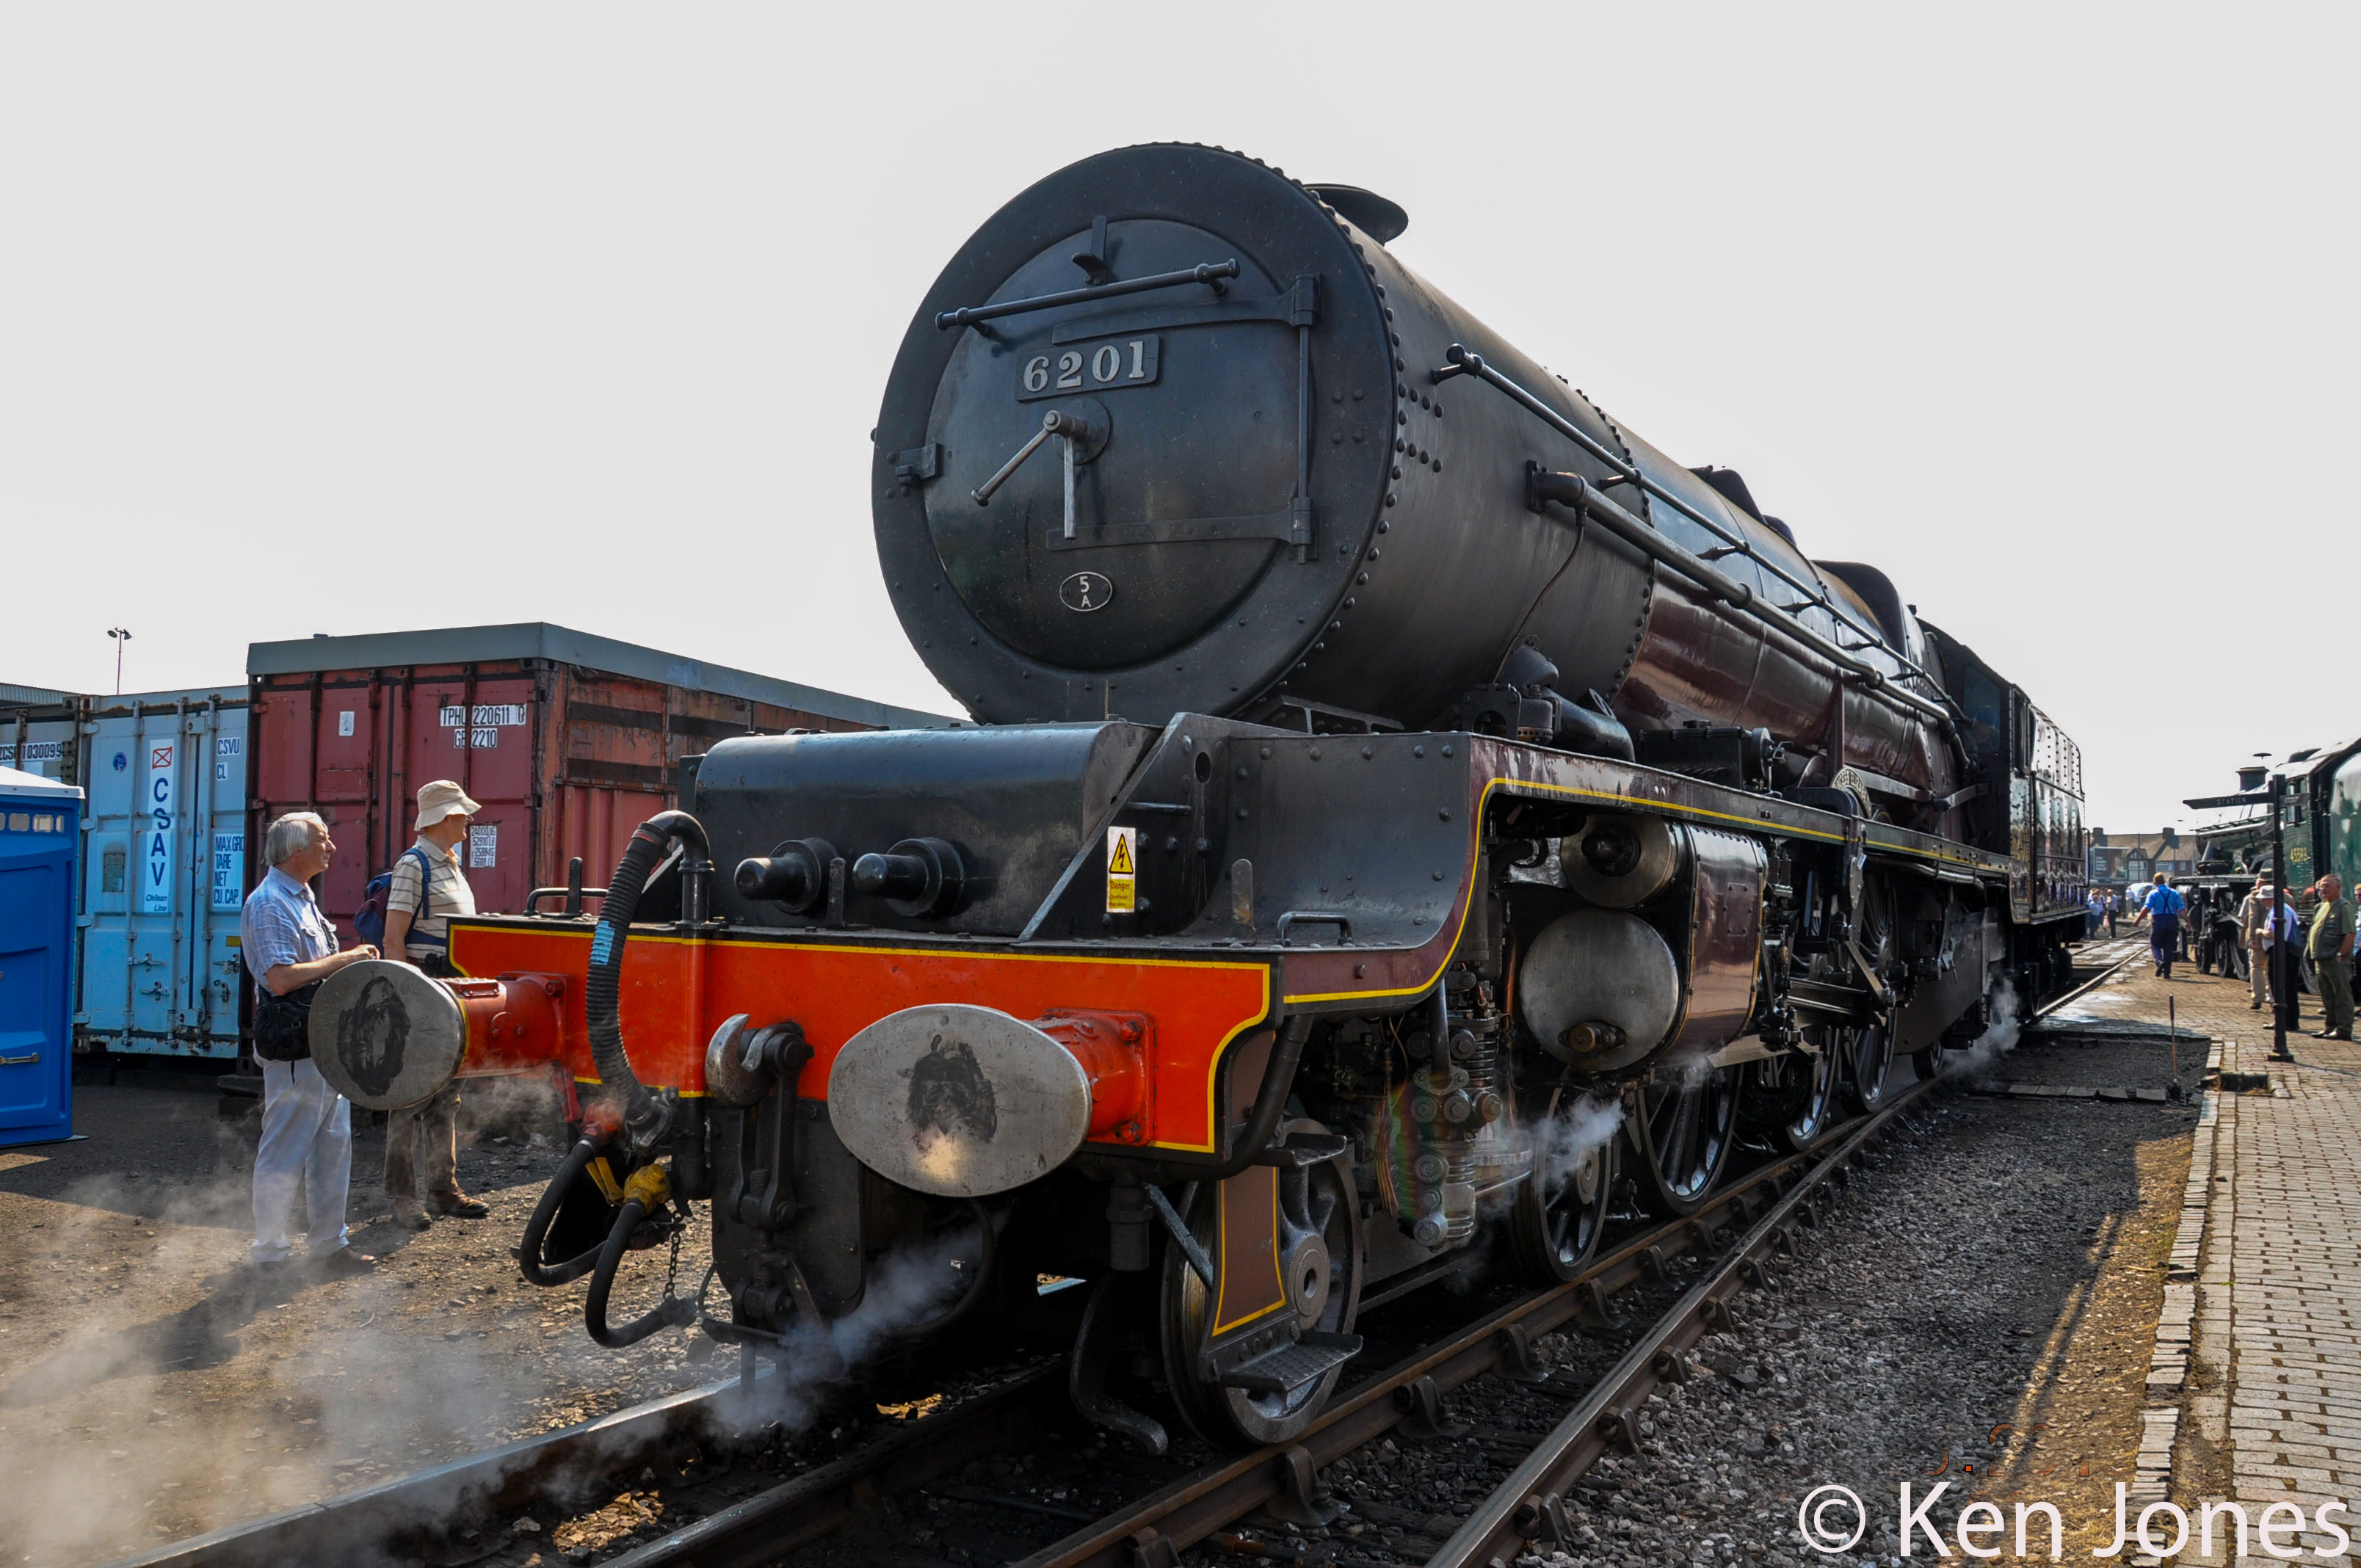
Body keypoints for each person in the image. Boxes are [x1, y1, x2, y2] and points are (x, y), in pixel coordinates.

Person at [241, 812, 379, 1272]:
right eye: (323, 839)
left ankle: (328, 1246)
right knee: (285, 1149)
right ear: (296, 850)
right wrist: (346, 960)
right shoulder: (269, 904)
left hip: (321, 1041)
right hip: (298, 1045)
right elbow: (280, 979)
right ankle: (270, 1254)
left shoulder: (299, 899)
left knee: (332, 1146)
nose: (332, 848)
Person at [381, 780, 490, 1229]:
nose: (469, 819)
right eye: (462, 813)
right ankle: (404, 1198)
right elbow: (393, 938)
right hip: (427, 991)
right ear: (444, 817)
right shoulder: (414, 864)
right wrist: (410, 999)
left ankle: (443, 1189)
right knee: (410, 1098)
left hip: (451, 991)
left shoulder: (448, 863)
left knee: (446, 1095)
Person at [2307, 873, 2355, 1041]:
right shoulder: (2321, 907)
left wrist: (2341, 954)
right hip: (2321, 958)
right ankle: (2330, 1027)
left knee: (2341, 995)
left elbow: (2350, 933)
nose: (2324, 889)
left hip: (2335, 959)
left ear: (2338, 887)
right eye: (2322, 886)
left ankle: (2344, 1030)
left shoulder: (2344, 907)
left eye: (2328, 886)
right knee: (2327, 995)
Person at [2240, 876, 2297, 1012]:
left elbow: (2253, 917)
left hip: (2263, 937)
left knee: (2257, 967)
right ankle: (2274, 1000)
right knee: (2274, 970)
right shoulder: (2288, 897)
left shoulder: (2255, 896)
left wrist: (2253, 937)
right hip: (2283, 940)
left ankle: (2257, 999)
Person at [2135, 872, 2186, 979]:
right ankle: (2167, 972)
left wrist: (2138, 920)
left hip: (2158, 921)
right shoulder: (2174, 893)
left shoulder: (2153, 893)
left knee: (2155, 944)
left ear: (2155, 882)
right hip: (2172, 921)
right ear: (2164, 881)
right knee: (2169, 947)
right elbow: (2182, 909)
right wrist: (2188, 921)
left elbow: (2147, 908)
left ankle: (2159, 961)